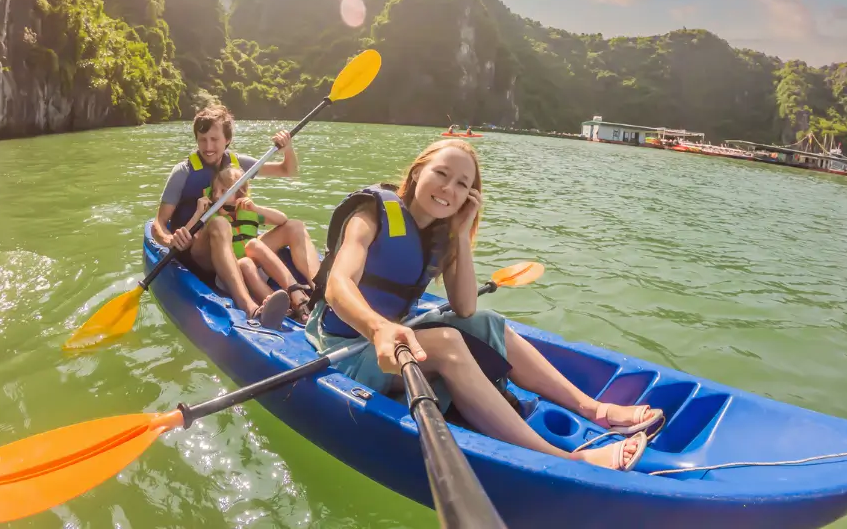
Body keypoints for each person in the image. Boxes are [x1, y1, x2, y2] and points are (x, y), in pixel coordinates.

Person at [304, 139, 661, 471]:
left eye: (462, 184)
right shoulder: (372, 214)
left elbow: (465, 307)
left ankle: (593, 409)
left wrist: (461, 232)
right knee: (447, 343)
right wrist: (378, 328)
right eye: (441, 174)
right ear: (417, 173)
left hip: (396, 339)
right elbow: (338, 285)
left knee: (487, 322)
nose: (449, 189)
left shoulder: (440, 236)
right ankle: (566, 459)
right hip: (348, 345)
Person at [152, 105, 321, 320]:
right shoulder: (183, 172)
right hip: (200, 251)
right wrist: (169, 240)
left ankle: (321, 288)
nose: (208, 146)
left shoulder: (238, 164)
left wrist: (287, 148)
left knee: (294, 226)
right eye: (202, 139)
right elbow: (158, 223)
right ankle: (249, 306)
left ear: (227, 140)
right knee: (220, 224)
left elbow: (287, 170)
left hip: (239, 248)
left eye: (214, 139)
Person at [185, 166, 313, 325]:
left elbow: (282, 220)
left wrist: (257, 208)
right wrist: (199, 213)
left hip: (255, 267)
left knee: (253, 245)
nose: (217, 195)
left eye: (224, 191)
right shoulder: (211, 217)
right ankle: (282, 309)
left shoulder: (248, 210)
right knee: (245, 263)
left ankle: (295, 295)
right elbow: (191, 240)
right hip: (230, 275)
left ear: (239, 193)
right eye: (215, 191)